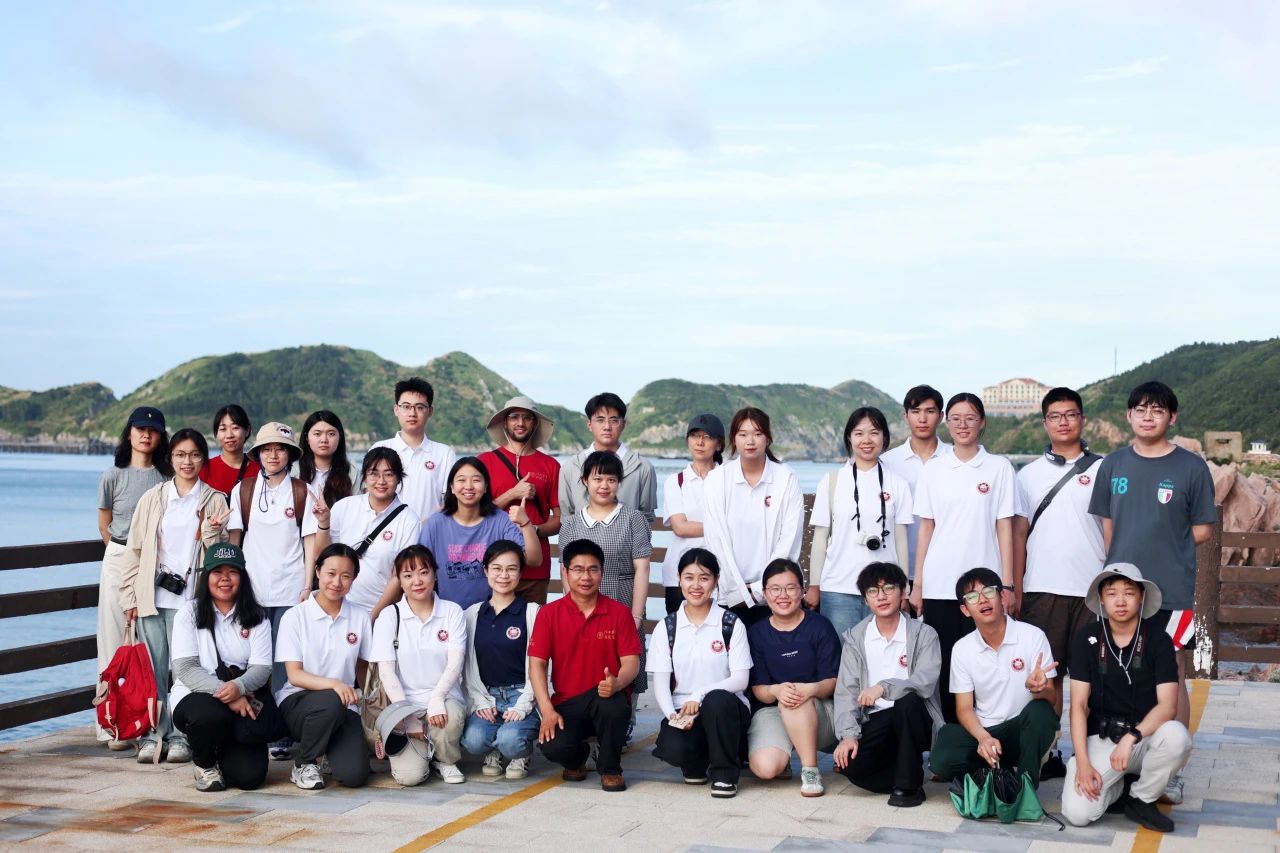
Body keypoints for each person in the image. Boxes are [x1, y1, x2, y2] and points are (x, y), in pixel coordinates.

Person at [1088, 381, 1216, 806]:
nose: (1148, 416)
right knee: (1117, 671)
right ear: (1129, 415)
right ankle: (1124, 758)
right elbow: (1107, 526)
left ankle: (1172, 771)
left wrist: (1168, 548)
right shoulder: (1113, 465)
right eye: (1140, 409)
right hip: (1120, 591)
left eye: (1157, 410)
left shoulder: (1191, 467)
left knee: (1172, 675)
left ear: (1171, 417)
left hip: (1172, 590)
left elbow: (1202, 529)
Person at [120, 427, 229, 764]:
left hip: (192, 602)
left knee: (186, 671)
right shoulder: (153, 498)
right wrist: (129, 597)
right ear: (170, 457)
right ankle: (152, 735)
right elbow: (134, 550)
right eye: (180, 455)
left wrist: (212, 531)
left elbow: (221, 556)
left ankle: (181, 736)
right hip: (152, 597)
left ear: (203, 459)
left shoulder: (214, 499)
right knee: (152, 671)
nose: (187, 461)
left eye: (195, 455)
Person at [1013, 387, 1105, 776]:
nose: (1063, 422)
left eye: (1070, 414)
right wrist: (1015, 587)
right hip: (1041, 590)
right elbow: (1018, 534)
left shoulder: (1104, 469)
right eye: (1055, 416)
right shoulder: (1028, 475)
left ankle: (1095, 753)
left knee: (1094, 679)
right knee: (1046, 677)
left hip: (1091, 592)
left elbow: (1112, 531)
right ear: (1045, 423)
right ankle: (1048, 752)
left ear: (1082, 419)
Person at [910, 392, 1016, 722]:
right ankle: (949, 735)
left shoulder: (999, 467)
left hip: (984, 587)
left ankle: (987, 732)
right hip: (940, 583)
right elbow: (926, 529)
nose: (962, 425)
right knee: (943, 663)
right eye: (955, 418)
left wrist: (1008, 584)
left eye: (970, 418)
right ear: (946, 422)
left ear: (982, 422)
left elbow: (1004, 527)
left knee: (985, 660)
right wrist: (918, 584)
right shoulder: (934, 468)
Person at [1061, 564, 1191, 833]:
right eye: (1112, 593)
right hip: (1102, 738)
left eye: (1129, 593)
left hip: (1143, 739)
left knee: (1177, 736)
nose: (1120, 601)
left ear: (1141, 597)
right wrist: (1083, 763)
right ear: (1101, 599)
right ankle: (1118, 788)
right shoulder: (1087, 638)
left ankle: (1141, 798)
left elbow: (1168, 706)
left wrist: (1131, 737)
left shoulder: (1159, 640)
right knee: (1078, 814)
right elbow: (1079, 706)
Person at [226, 422, 327, 761]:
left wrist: (308, 585)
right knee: (252, 661)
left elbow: (310, 543)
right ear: (257, 454)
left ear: (290, 455)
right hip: (252, 590)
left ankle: (283, 732)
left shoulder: (302, 490)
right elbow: (235, 541)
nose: (273, 455)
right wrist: (234, 585)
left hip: (290, 590)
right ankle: (253, 727)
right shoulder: (243, 490)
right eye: (266, 449)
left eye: (280, 449)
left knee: (285, 664)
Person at [929, 568, 1059, 790]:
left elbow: (1052, 699)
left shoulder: (1032, 636)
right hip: (986, 730)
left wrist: (1039, 688)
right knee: (942, 756)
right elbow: (964, 708)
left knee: (1041, 712)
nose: (982, 600)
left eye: (988, 591)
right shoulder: (962, 648)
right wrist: (983, 738)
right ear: (965, 610)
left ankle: (1025, 788)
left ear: (1002, 597)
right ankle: (994, 769)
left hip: (1022, 730)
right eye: (972, 596)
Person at [530, 539, 642, 793]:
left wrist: (618, 682)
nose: (586, 577)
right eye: (578, 569)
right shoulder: (549, 614)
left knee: (612, 703)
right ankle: (578, 758)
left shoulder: (619, 613)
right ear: (565, 572)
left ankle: (610, 769)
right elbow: (537, 665)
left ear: (602, 572)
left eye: (593, 569)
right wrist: (547, 709)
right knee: (553, 747)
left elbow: (631, 662)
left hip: (607, 696)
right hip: (568, 703)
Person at [832, 562, 942, 808]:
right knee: (851, 766)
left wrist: (884, 687)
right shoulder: (856, 638)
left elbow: (925, 681)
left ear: (903, 592)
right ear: (865, 599)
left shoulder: (924, 634)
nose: (881, 596)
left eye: (888, 588)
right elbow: (847, 691)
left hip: (917, 717)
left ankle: (909, 787)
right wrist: (848, 735)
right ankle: (904, 770)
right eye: (873, 591)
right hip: (875, 719)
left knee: (907, 702)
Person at [170, 543, 275, 792]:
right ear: (206, 576)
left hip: (242, 696)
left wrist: (238, 687)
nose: (225, 579)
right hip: (196, 696)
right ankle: (204, 763)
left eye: (233, 572)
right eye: (217, 572)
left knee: (249, 778)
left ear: (243, 577)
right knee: (208, 715)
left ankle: (224, 751)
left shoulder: (257, 616)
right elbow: (186, 668)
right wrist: (229, 694)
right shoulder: (188, 614)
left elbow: (262, 668)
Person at [649, 548, 752, 798]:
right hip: (684, 711)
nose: (696, 585)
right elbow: (661, 683)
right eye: (689, 577)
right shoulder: (667, 627)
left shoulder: (730, 623)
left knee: (716, 700)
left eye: (704, 578)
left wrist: (700, 694)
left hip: (727, 709)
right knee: (673, 748)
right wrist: (673, 716)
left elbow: (741, 680)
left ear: (716, 581)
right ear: (679, 579)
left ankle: (725, 775)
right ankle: (697, 762)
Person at [95, 406, 170, 748]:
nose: (146, 435)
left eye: (152, 430)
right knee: (113, 638)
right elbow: (104, 524)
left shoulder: (166, 478)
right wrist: (124, 557)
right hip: (119, 555)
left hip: (154, 559)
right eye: (140, 429)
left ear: (161, 437)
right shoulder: (112, 476)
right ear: (129, 433)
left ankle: (144, 721)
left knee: (149, 641)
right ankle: (109, 722)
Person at [274, 543, 373, 790]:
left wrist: (371, 705)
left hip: (343, 705)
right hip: (298, 702)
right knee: (331, 700)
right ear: (317, 571)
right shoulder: (295, 617)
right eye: (331, 573)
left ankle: (329, 750)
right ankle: (304, 762)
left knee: (354, 775)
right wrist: (335, 685)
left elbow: (363, 668)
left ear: (354, 579)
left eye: (346, 576)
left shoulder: (360, 617)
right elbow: (294, 675)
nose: (337, 582)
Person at [809, 407, 914, 635]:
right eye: (859, 433)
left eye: (874, 433)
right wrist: (814, 585)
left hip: (885, 590)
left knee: (883, 653)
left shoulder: (898, 483)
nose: (867, 440)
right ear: (849, 437)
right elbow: (820, 537)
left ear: (884, 437)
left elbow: (901, 540)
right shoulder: (832, 481)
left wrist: (904, 588)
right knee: (842, 654)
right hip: (838, 588)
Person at [371, 545, 469, 786]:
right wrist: (407, 716)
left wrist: (436, 699)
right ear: (399, 580)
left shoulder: (452, 611)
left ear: (435, 574)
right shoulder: (389, 616)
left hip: (444, 698)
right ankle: (425, 753)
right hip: (403, 702)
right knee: (410, 777)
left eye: (424, 572)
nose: (417, 581)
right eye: (408, 575)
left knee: (450, 717)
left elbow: (455, 662)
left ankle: (445, 760)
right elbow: (387, 673)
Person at [746, 558, 841, 797]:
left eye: (790, 588)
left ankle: (810, 771)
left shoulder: (820, 626)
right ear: (764, 593)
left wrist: (809, 690)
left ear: (802, 591)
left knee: (795, 697)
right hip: (773, 709)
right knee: (765, 768)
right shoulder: (757, 633)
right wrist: (776, 690)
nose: (783, 595)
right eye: (775, 589)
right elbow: (758, 689)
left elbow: (832, 682)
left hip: (820, 710)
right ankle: (784, 756)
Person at [702, 408, 804, 625]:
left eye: (758, 434)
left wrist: (761, 589)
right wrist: (737, 591)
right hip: (729, 595)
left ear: (768, 438)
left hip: (775, 595)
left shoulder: (786, 478)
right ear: (733, 439)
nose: (750, 441)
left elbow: (789, 540)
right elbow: (715, 539)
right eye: (743, 434)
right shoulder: (717, 480)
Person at [461, 540, 542, 780]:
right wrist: (479, 701)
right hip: (487, 696)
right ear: (486, 570)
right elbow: (466, 668)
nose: (503, 575)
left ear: (520, 573)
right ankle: (493, 749)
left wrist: (524, 704)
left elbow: (542, 666)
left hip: (522, 693)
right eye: (496, 568)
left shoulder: (532, 612)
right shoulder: (472, 614)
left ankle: (519, 753)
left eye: (511, 569)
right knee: (473, 741)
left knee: (511, 742)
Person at [557, 451, 652, 654]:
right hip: (582, 606)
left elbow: (642, 569)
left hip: (623, 601)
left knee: (625, 663)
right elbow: (565, 572)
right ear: (585, 481)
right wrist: (573, 611)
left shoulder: (634, 519)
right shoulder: (571, 524)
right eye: (597, 479)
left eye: (611, 480)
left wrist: (636, 616)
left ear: (619, 482)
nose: (604, 486)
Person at [419, 457, 540, 610]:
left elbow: (534, 560)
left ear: (485, 487)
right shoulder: (436, 523)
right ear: (452, 487)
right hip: (447, 612)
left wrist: (525, 523)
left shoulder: (500, 520)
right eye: (461, 480)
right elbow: (419, 568)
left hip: (490, 612)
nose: (469, 486)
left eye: (476, 480)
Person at [478, 396, 562, 605]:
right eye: (514, 417)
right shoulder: (485, 462)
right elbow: (475, 514)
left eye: (527, 417)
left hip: (535, 568)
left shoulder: (551, 465)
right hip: (495, 566)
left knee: (534, 623)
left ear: (535, 423)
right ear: (505, 422)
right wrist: (512, 494)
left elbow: (560, 519)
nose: (520, 423)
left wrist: (532, 529)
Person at [326, 448, 422, 619]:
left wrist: (373, 617)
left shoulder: (409, 520)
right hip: (338, 607)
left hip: (381, 612)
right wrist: (322, 524)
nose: (381, 481)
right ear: (364, 477)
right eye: (374, 473)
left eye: (389, 474)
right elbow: (325, 557)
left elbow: (399, 576)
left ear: (399, 478)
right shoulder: (344, 507)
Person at [881, 385, 952, 581]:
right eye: (915, 411)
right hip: (897, 570)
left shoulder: (955, 459)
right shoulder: (887, 462)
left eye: (930, 411)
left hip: (947, 568)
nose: (922, 419)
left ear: (941, 416)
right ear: (906, 416)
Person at [559, 392, 657, 522]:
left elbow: (646, 518)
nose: (607, 427)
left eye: (614, 420)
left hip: (627, 536)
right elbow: (567, 516)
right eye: (600, 420)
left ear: (623, 424)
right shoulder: (571, 467)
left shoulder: (642, 467)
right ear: (589, 425)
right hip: (581, 536)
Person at [369, 377, 457, 522]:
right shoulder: (379, 449)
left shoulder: (444, 454)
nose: (412, 413)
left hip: (428, 533)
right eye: (406, 406)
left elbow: (452, 501)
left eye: (420, 407)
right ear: (396, 409)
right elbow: (368, 495)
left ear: (430, 411)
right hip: (385, 531)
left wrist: (427, 525)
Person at [661, 415, 724, 614]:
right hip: (679, 574)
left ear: (719, 444)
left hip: (720, 573)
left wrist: (696, 526)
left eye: (707, 437)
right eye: (695, 436)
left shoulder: (728, 480)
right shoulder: (676, 481)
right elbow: (680, 527)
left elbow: (736, 524)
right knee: (678, 628)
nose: (700, 442)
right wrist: (721, 527)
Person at [199, 404, 260, 496]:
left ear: (247, 430)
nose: (229, 435)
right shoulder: (205, 469)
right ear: (216, 433)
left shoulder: (259, 471)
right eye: (223, 429)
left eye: (235, 428)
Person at [299, 410, 353, 510]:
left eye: (331, 434)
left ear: (340, 437)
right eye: (317, 434)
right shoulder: (292, 472)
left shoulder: (352, 474)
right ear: (307, 438)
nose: (324, 440)